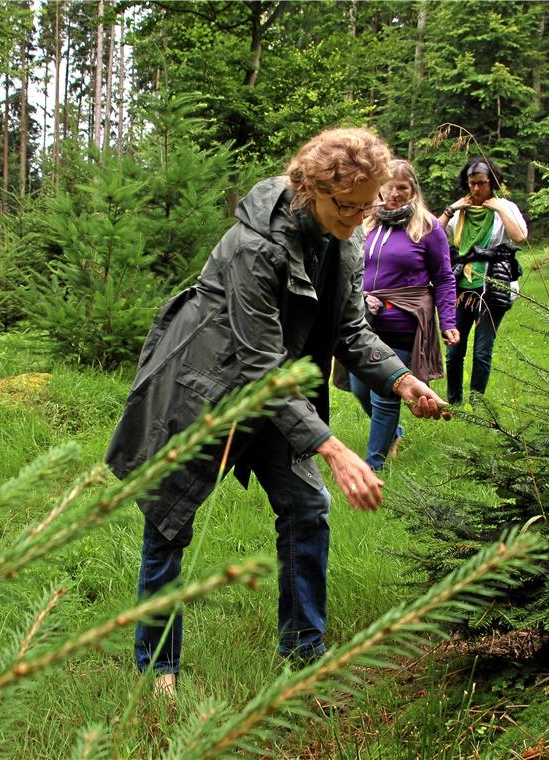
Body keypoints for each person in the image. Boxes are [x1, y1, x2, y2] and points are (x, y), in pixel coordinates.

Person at [105, 128, 449, 693]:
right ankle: (157, 668)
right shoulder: (253, 247)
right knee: (168, 520)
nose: (361, 218)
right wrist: (335, 449)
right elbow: (259, 363)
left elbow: (349, 330)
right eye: (349, 205)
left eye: (370, 205)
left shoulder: (343, 238)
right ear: (310, 188)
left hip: (275, 395)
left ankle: (304, 650)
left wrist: (403, 379)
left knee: (306, 505)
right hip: (204, 390)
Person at [348, 159, 459, 470]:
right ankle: (393, 433)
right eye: (388, 187)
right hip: (366, 322)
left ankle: (374, 467)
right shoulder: (367, 221)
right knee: (360, 388)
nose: (394, 194)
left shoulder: (428, 227)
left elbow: (445, 276)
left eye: (402, 188)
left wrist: (448, 321)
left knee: (385, 391)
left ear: (413, 191)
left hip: (405, 324)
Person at [438, 156, 528, 406]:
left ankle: (478, 405)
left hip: (493, 289)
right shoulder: (460, 214)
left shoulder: (505, 208)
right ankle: (454, 403)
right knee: (454, 350)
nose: (476, 189)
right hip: (461, 289)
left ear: (492, 182)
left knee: (482, 350)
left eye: (481, 183)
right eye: (471, 183)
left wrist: (498, 207)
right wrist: (451, 209)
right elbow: (431, 236)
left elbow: (519, 236)